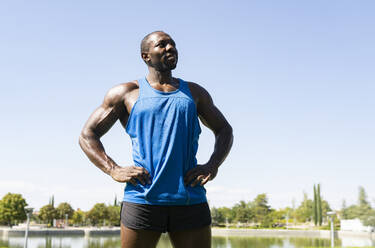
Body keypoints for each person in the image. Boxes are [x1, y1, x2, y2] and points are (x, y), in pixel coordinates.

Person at [79, 31, 233, 248]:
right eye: (162, 45)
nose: (170, 48)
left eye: (173, 44)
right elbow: (88, 134)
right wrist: (113, 169)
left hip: (189, 198)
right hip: (142, 198)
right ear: (146, 56)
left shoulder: (195, 93)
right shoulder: (126, 93)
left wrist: (212, 165)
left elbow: (224, 129)